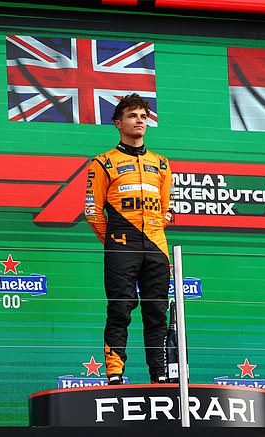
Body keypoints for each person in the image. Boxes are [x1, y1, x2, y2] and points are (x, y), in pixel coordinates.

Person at [84, 94, 173, 384]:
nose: (140, 121)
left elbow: (165, 209)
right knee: (120, 308)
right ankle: (114, 374)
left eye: (144, 117)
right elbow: (93, 212)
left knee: (157, 312)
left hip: (158, 246)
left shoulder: (161, 164)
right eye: (133, 116)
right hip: (121, 245)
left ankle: (159, 374)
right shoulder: (103, 162)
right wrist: (113, 241)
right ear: (118, 123)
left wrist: (154, 231)